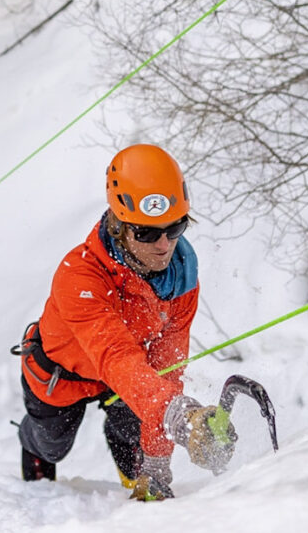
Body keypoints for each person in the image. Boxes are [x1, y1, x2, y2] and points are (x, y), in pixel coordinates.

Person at [14, 144, 234, 501]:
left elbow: (166, 371)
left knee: (137, 436)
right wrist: (179, 417)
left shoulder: (180, 277)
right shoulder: (79, 276)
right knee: (52, 446)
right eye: (146, 233)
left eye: (175, 228)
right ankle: (31, 441)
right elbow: (114, 355)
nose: (164, 245)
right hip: (61, 375)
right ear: (119, 227)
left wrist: (156, 468)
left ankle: (122, 437)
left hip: (129, 378)